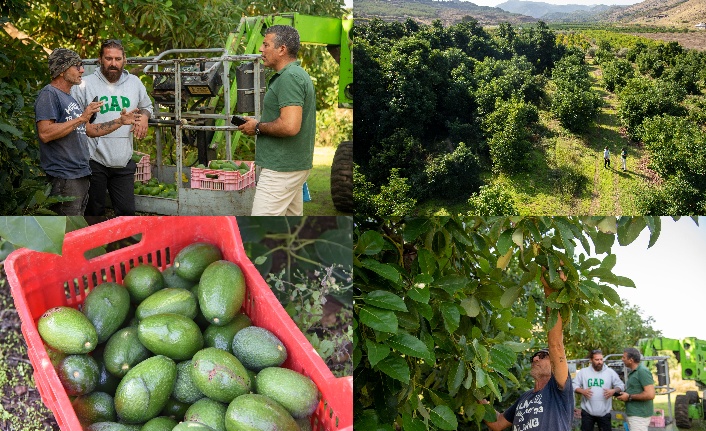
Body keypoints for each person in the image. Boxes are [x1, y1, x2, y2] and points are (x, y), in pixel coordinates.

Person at [35, 47, 140, 215]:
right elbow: (45, 133)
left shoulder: (69, 97)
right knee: (67, 230)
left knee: (78, 228)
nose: (82, 70)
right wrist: (81, 118)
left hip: (80, 174)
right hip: (65, 176)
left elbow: (89, 130)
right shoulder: (49, 94)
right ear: (62, 70)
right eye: (77, 66)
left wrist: (120, 121)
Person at [238, 25, 316, 216]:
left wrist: (257, 127)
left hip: (281, 169)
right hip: (291, 166)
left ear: (281, 49)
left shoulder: (290, 77)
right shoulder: (293, 75)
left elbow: (290, 126)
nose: (261, 49)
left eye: (266, 44)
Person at [483, 267, 573, 431]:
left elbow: (556, 346)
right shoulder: (524, 398)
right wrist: (477, 396)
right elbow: (497, 423)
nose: (535, 359)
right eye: (534, 357)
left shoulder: (558, 390)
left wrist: (550, 293)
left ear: (553, 364)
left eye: (542, 356)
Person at [72, 39, 153, 216]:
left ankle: (125, 244)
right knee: (94, 213)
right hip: (94, 160)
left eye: (118, 59)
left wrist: (145, 117)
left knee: (127, 213)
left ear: (125, 59)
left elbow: (147, 106)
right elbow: (75, 121)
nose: (113, 64)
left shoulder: (134, 83)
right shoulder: (84, 85)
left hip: (122, 160)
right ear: (100, 59)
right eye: (108, 58)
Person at [573, 349, 625, 431]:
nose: (600, 362)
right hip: (587, 412)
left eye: (601, 359)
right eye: (597, 360)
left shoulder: (610, 372)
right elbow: (573, 385)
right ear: (591, 360)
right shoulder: (583, 372)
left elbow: (621, 385)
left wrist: (613, 391)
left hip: (604, 412)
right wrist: (582, 391)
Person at [615, 347, 655, 431]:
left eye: (624, 357)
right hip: (634, 414)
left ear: (631, 360)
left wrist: (629, 397)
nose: (622, 359)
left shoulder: (642, 371)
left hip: (639, 416)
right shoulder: (634, 372)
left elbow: (650, 394)